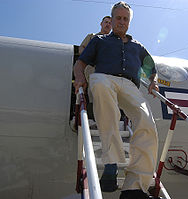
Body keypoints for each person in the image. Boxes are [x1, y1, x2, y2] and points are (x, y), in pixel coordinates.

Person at [73, 2, 159, 199]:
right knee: (102, 87)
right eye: (118, 18)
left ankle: (134, 188)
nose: (121, 22)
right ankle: (111, 163)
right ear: (111, 20)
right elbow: (80, 63)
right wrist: (80, 77)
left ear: (129, 22)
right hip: (104, 77)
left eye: (125, 19)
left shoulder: (138, 47)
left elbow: (151, 70)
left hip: (130, 85)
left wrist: (154, 82)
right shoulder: (100, 40)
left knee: (147, 123)